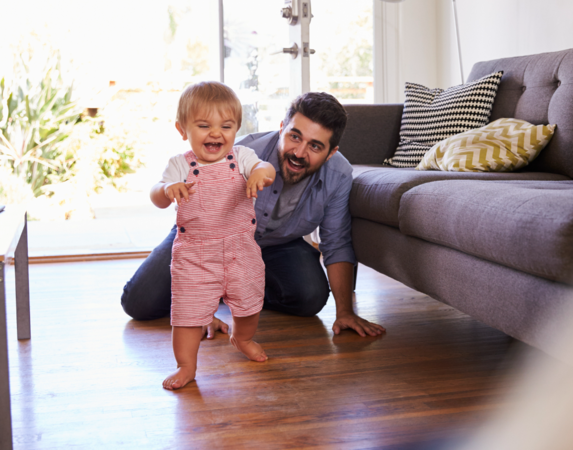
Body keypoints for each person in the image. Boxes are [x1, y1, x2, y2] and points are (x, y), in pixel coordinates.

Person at [121, 91, 385, 344]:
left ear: (331, 152)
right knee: (139, 302)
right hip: (205, 238)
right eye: (294, 137)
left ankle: (236, 290)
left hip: (279, 244)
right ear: (282, 127)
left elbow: (336, 242)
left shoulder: (339, 175)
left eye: (315, 146)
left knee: (310, 298)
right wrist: (201, 308)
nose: (299, 152)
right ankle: (218, 288)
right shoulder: (240, 152)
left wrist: (345, 312)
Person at [154, 81, 276, 390]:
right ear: (183, 129)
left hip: (240, 252)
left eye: (226, 125)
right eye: (204, 125)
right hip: (195, 256)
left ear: (236, 128)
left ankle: (242, 337)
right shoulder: (181, 164)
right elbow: (156, 193)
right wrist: (168, 191)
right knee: (187, 316)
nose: (215, 133)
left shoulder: (243, 157)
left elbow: (266, 167)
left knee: (249, 305)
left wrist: (262, 172)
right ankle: (186, 365)